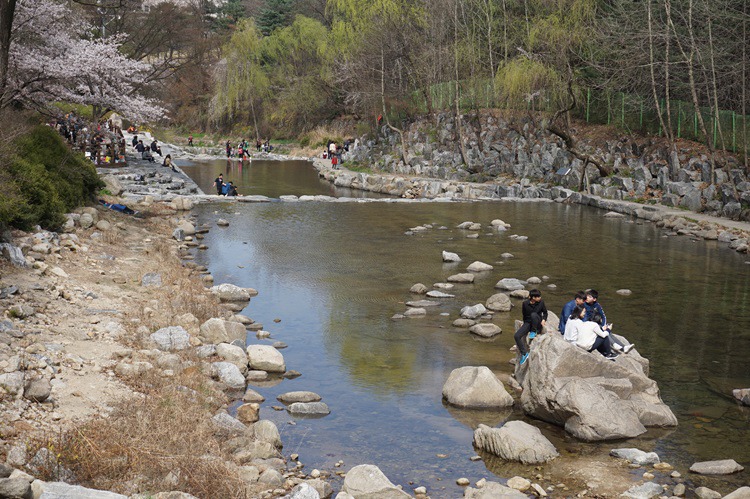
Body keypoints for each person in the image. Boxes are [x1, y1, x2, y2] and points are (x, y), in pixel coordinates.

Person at [514, 289, 548, 365]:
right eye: (538, 297)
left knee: (533, 315)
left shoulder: (541, 302)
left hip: (537, 322)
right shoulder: (525, 304)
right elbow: (524, 315)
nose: (540, 298)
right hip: (528, 323)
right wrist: (524, 323)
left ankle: (534, 331)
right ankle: (524, 354)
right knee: (517, 336)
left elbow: (545, 312)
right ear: (533, 298)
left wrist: (544, 320)